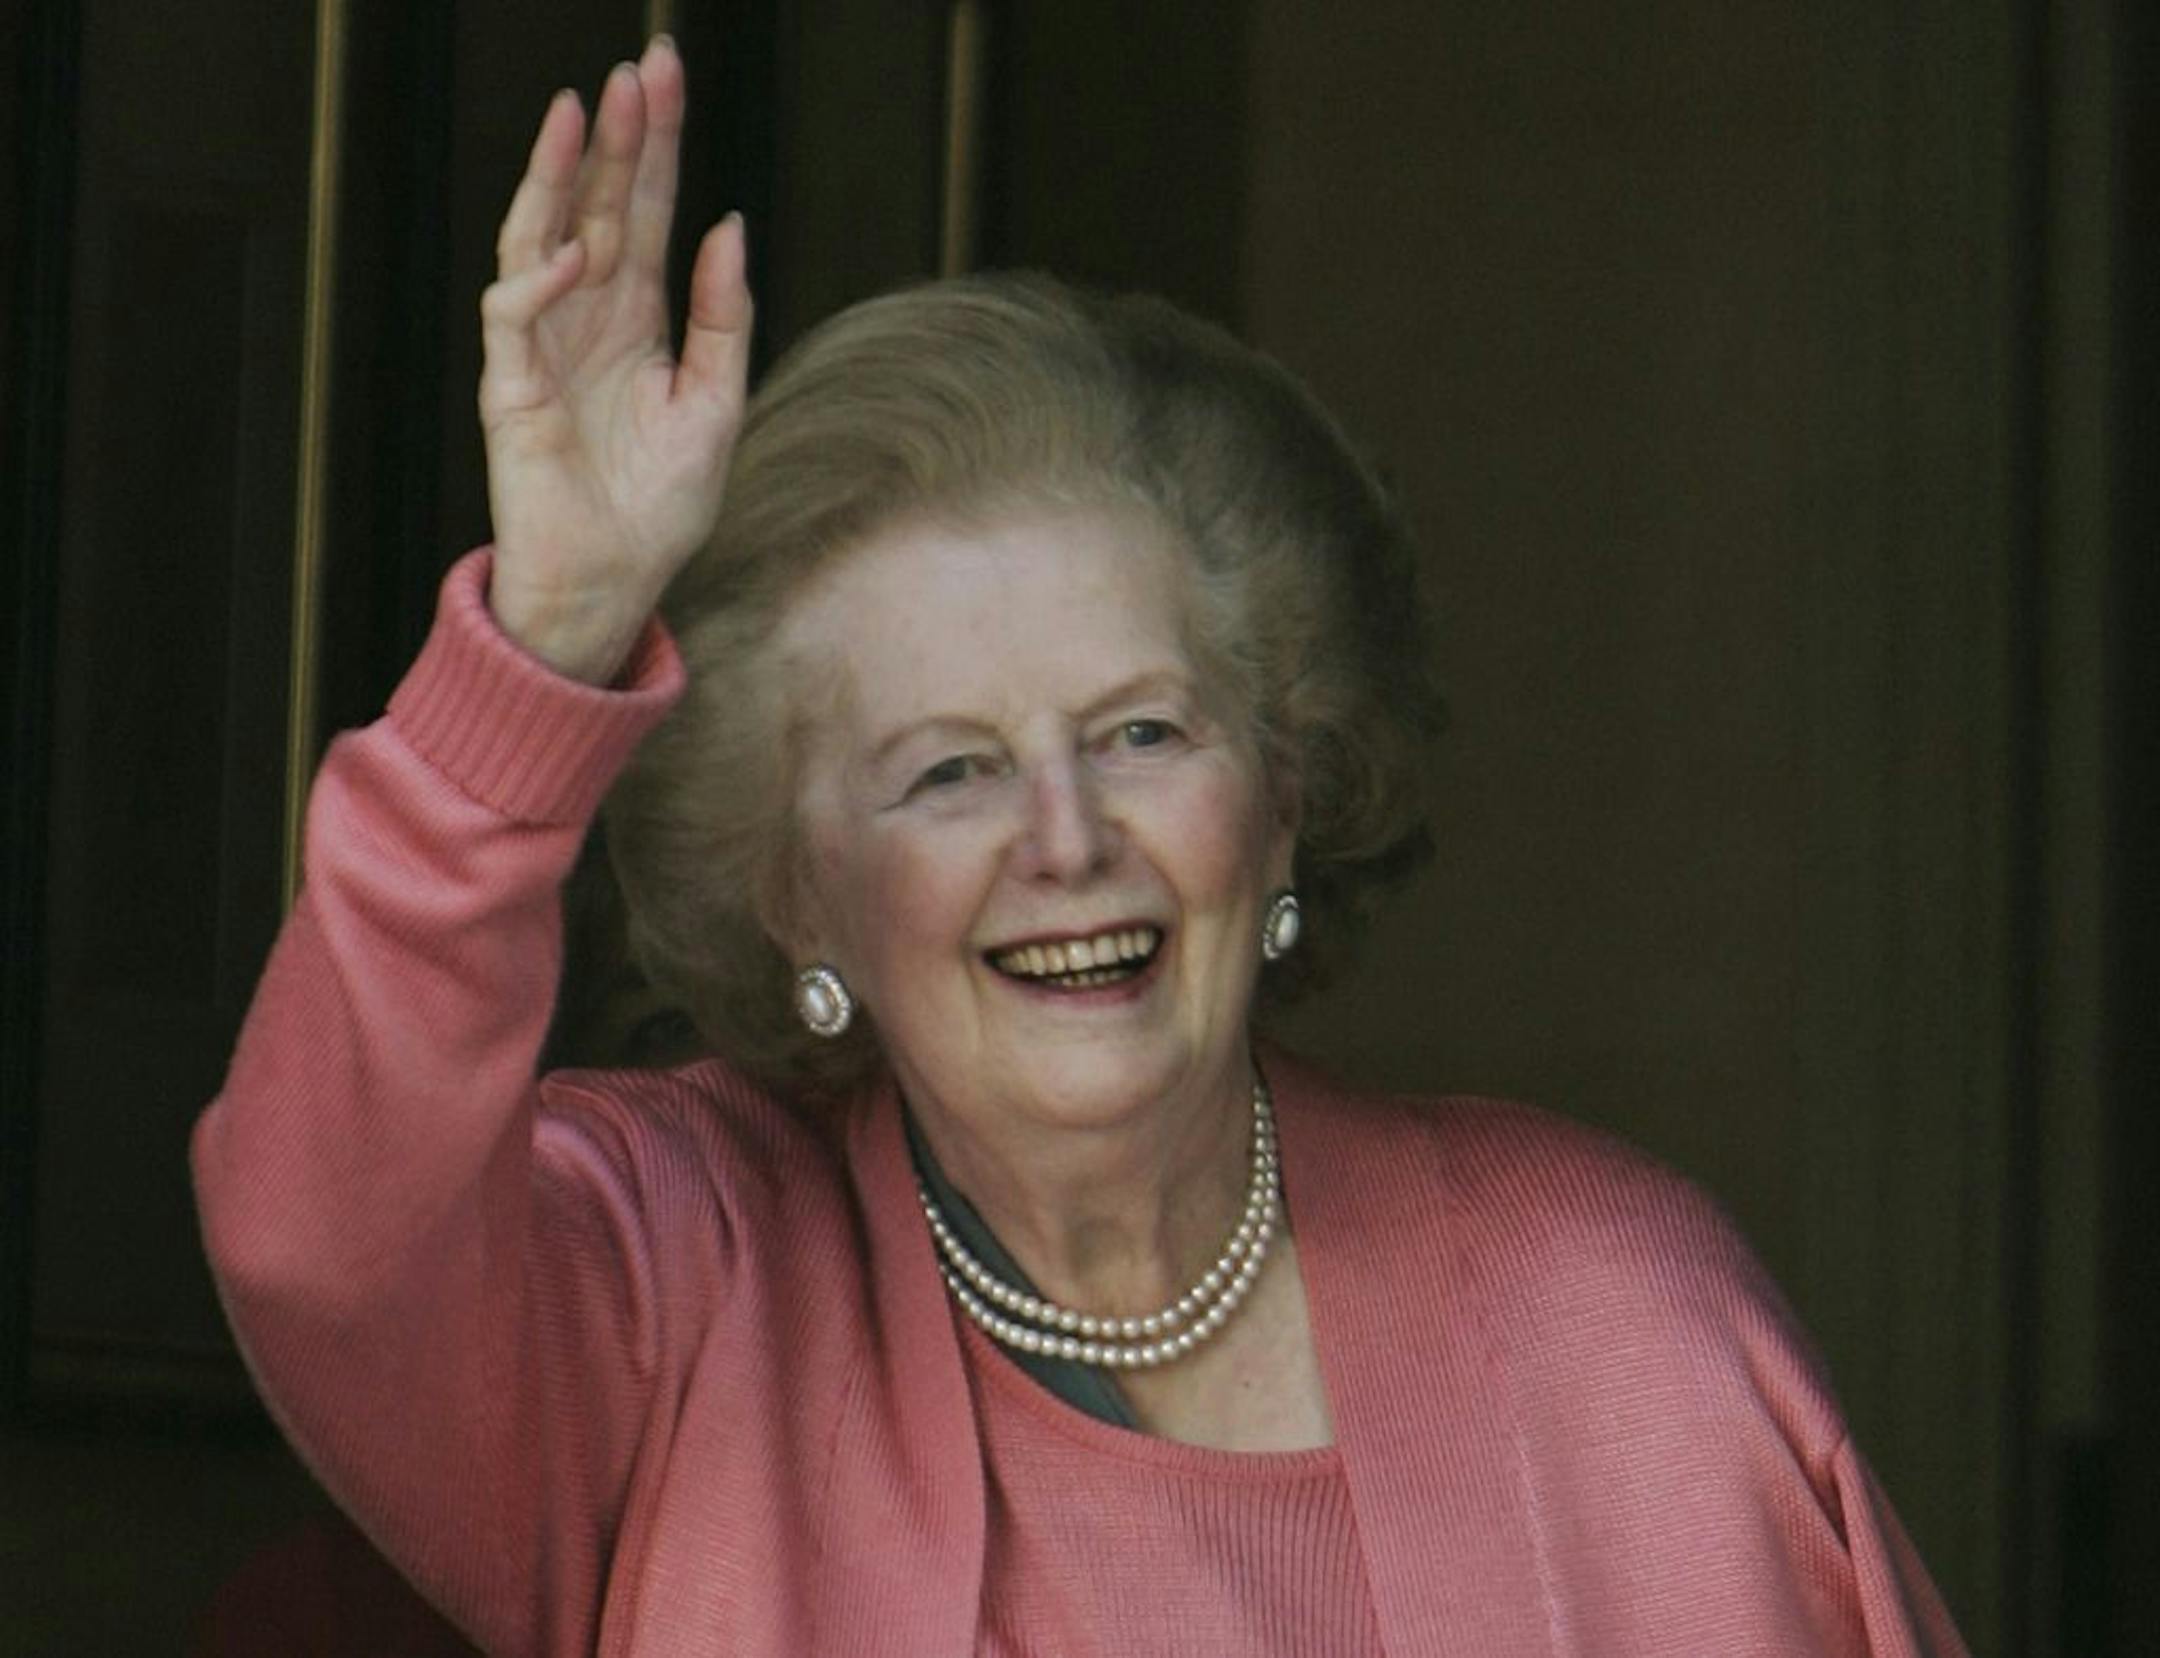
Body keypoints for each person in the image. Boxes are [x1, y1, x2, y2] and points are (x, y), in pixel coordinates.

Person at [193, 35, 1969, 1657]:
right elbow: (321, 1235)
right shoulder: (670, 1295)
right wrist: (553, 641)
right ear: (792, 887)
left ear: (1280, 798)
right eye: (947, 773)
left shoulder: (1617, 1327)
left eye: (1141, 732)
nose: (1066, 836)